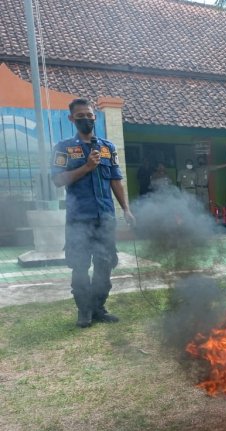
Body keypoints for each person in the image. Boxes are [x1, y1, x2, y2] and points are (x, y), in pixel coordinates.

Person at [50, 98, 135, 328]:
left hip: (105, 218)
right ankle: (84, 312)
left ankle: (98, 307)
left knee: (105, 264)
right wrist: (86, 167)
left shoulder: (108, 148)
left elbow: (116, 180)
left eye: (89, 115)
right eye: (80, 117)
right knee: (79, 266)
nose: (86, 120)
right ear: (72, 119)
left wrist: (126, 209)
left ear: (94, 117)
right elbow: (58, 180)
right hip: (79, 219)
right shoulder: (63, 148)